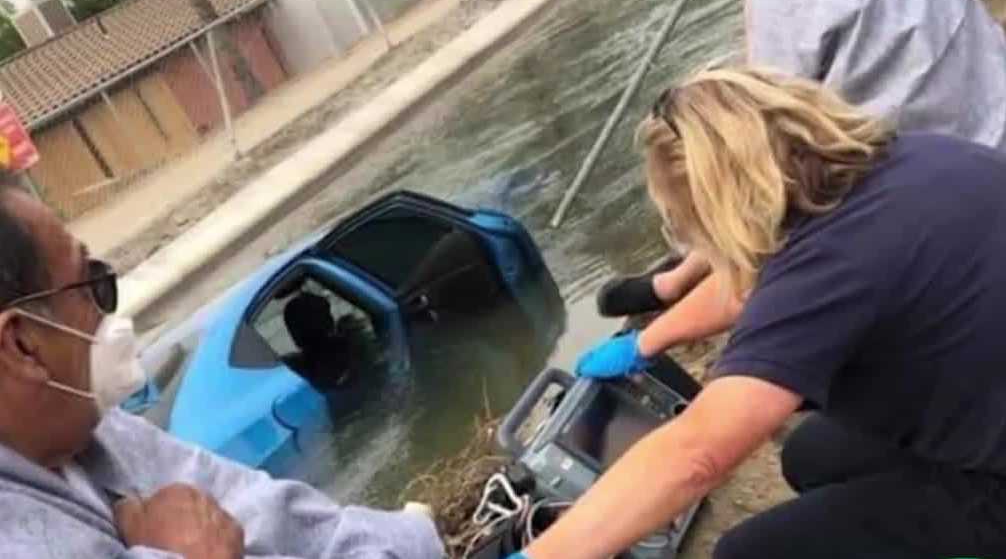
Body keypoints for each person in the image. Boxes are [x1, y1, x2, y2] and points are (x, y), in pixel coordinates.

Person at [521, 67, 1006, 558]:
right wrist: (646, 342)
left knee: (747, 554)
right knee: (811, 455)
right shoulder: (909, 159)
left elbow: (696, 456)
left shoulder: (826, 267)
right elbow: (757, 287)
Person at [0, 180, 444, 559]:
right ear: (22, 345)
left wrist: (415, 540)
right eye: (91, 284)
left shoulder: (98, 434)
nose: (108, 313)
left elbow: (284, 517)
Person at [597, 0, 1006, 319]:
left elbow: (759, 130)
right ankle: (686, 270)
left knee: (745, 169)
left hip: (915, 169)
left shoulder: (784, 3)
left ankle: (687, 277)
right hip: (988, 105)